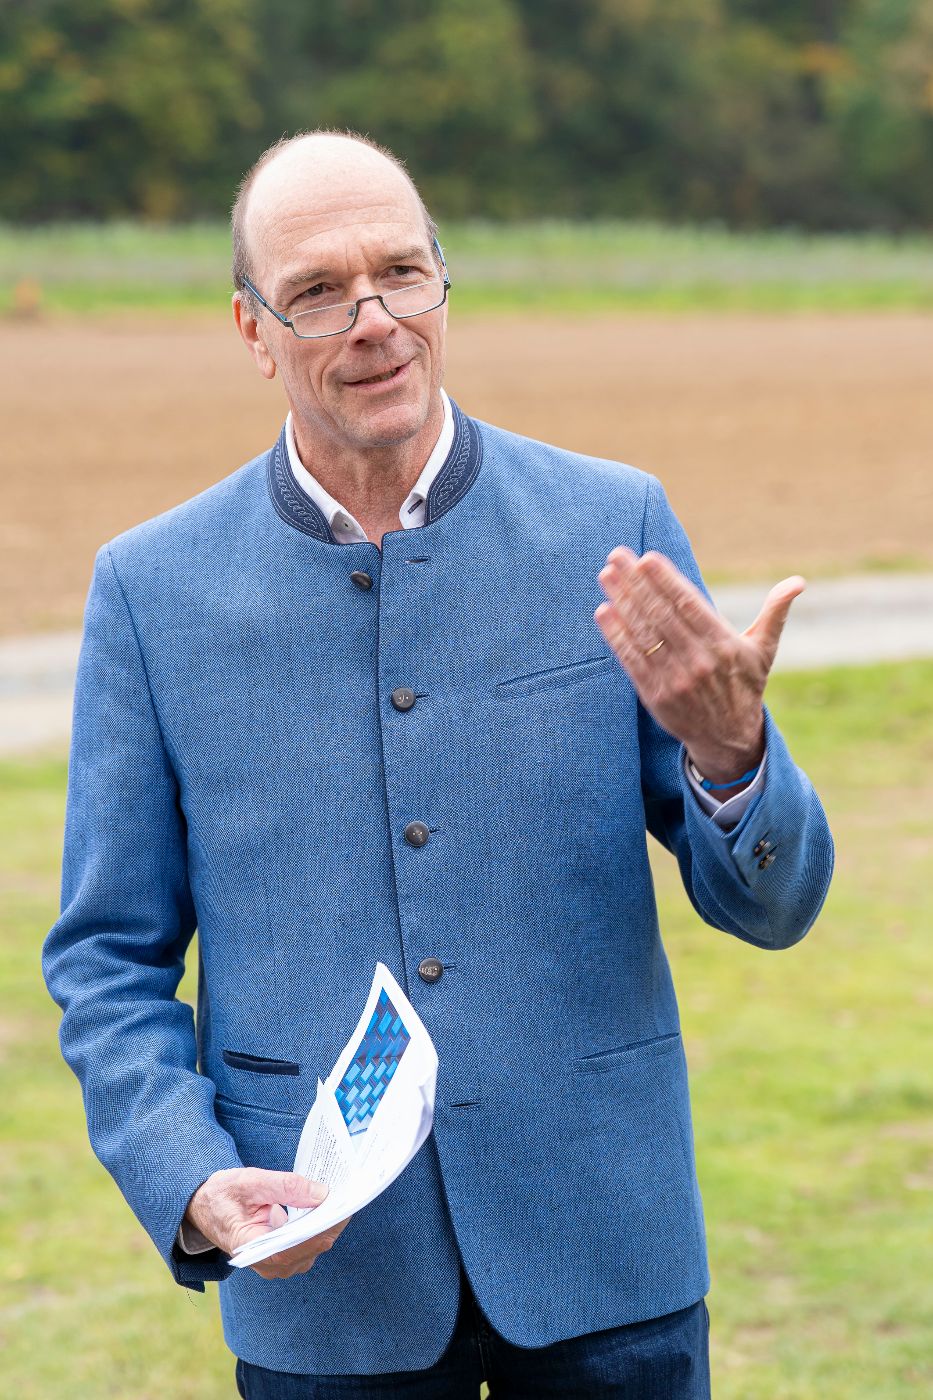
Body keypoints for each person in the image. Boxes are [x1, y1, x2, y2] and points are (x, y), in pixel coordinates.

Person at [43, 131, 833, 1399]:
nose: (375, 320)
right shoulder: (150, 589)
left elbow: (773, 907)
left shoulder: (608, 524)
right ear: (252, 328)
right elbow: (104, 955)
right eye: (317, 291)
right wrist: (184, 1169)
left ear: (442, 285)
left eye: (403, 273)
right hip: (326, 1294)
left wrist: (733, 750)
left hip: (604, 1257)